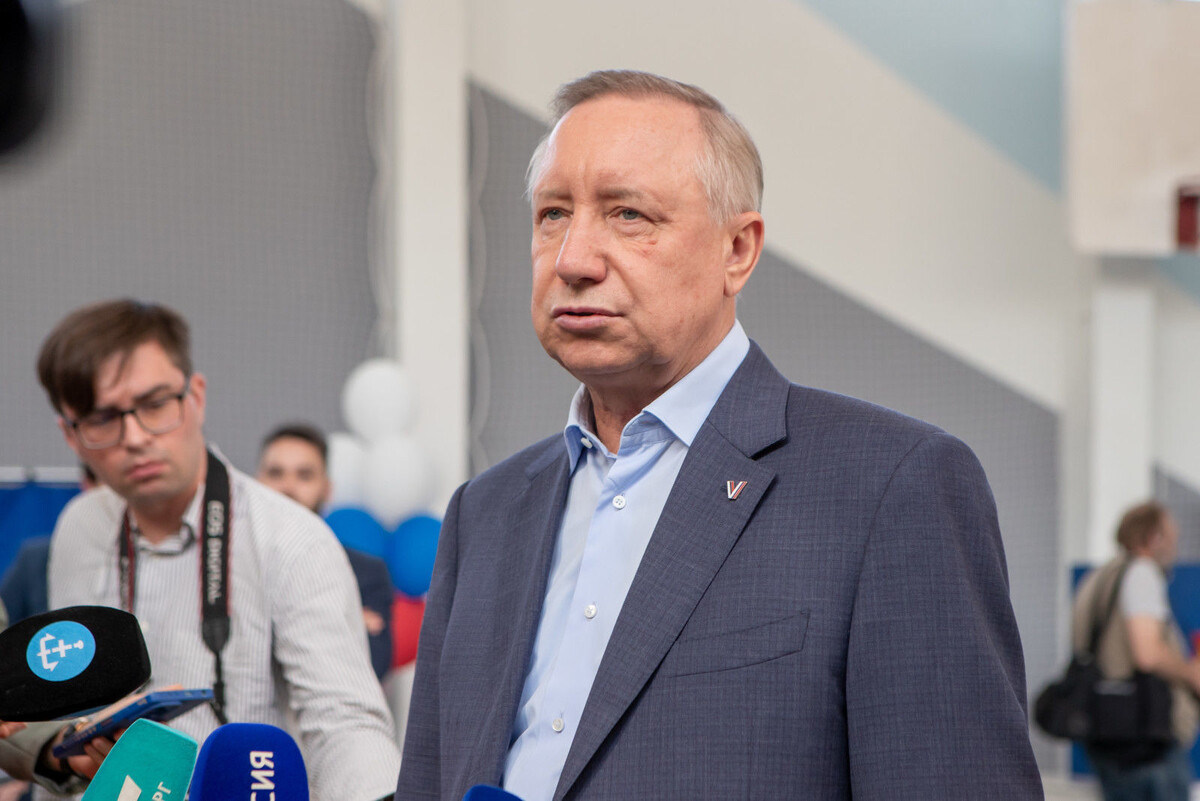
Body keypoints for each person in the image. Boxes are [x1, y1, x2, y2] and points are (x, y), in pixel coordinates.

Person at [396, 70, 1040, 800]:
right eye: (552, 215)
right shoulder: (483, 513)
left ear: (737, 250)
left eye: (628, 214)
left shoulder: (889, 487)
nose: (572, 259)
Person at [37, 300, 400, 801]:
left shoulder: (291, 537)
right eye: (102, 418)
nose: (135, 438)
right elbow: (64, 700)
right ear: (71, 435)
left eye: (154, 404)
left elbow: (344, 723)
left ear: (196, 397)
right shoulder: (79, 528)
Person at [1072, 501, 1200, 800]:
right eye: (1171, 537)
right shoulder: (1142, 573)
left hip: (1106, 731)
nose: (1174, 548)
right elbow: (1147, 654)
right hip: (1145, 740)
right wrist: (1191, 673)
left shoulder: (1097, 578)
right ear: (1154, 538)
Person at [256, 423, 394, 680]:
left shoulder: (365, 573)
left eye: (304, 475)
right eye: (276, 473)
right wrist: (340, 623)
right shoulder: (228, 563)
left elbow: (370, 669)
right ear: (256, 483)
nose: (288, 486)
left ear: (327, 489)